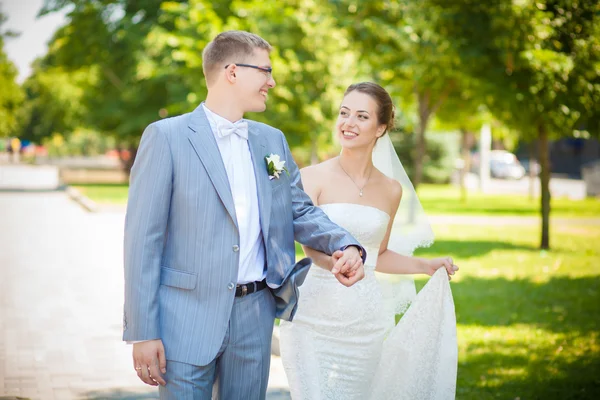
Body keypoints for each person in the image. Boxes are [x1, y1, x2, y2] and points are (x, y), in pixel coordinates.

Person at [122, 31, 367, 399]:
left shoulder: (272, 141)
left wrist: (346, 243)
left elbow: (297, 208)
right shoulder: (166, 137)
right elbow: (143, 241)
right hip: (184, 319)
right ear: (232, 72)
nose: (271, 81)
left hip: (254, 318)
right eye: (265, 71)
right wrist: (143, 330)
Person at [279, 82, 460, 399]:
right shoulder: (311, 177)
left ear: (380, 128)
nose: (348, 123)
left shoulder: (391, 189)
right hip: (312, 320)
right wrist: (338, 263)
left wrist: (425, 265)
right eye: (344, 113)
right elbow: (310, 247)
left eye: (361, 116)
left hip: (367, 324)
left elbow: (379, 254)